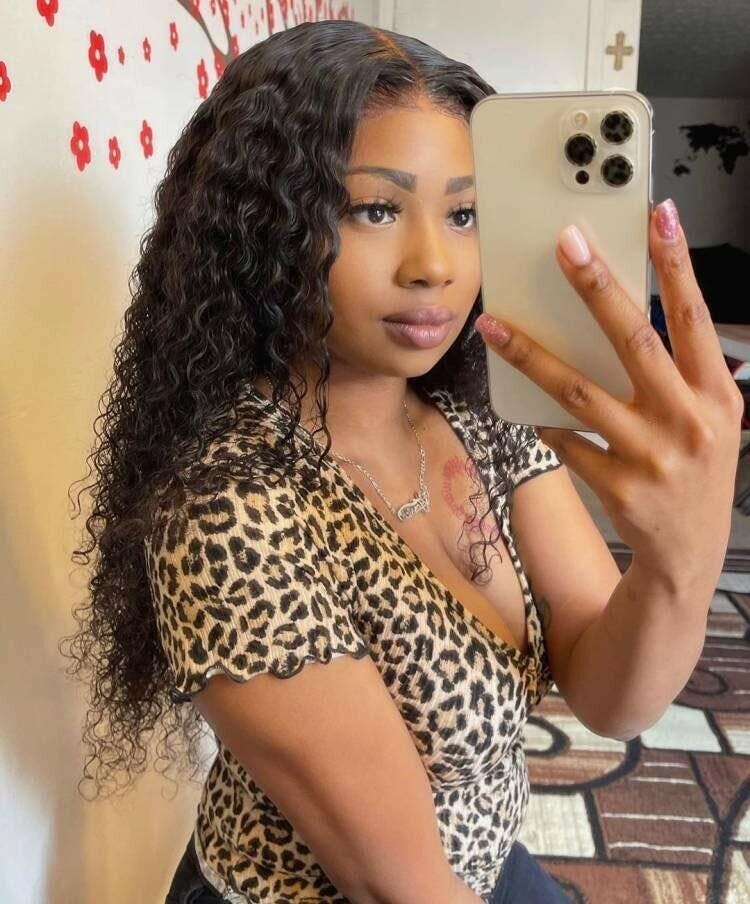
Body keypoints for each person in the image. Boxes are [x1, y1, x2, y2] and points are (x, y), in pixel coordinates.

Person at [63, 16, 743, 904]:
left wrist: (680, 560)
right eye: (376, 210)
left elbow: (612, 695)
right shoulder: (228, 509)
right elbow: (402, 887)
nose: (434, 265)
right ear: (263, 228)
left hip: (482, 859)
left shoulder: (479, 419)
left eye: (464, 214)